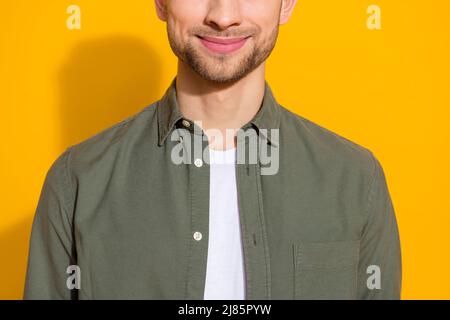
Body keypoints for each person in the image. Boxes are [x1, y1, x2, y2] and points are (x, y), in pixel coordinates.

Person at [24, 0, 401, 299]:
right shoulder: (76, 180)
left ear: (287, 4)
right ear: (161, 2)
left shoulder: (356, 180)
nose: (223, 16)